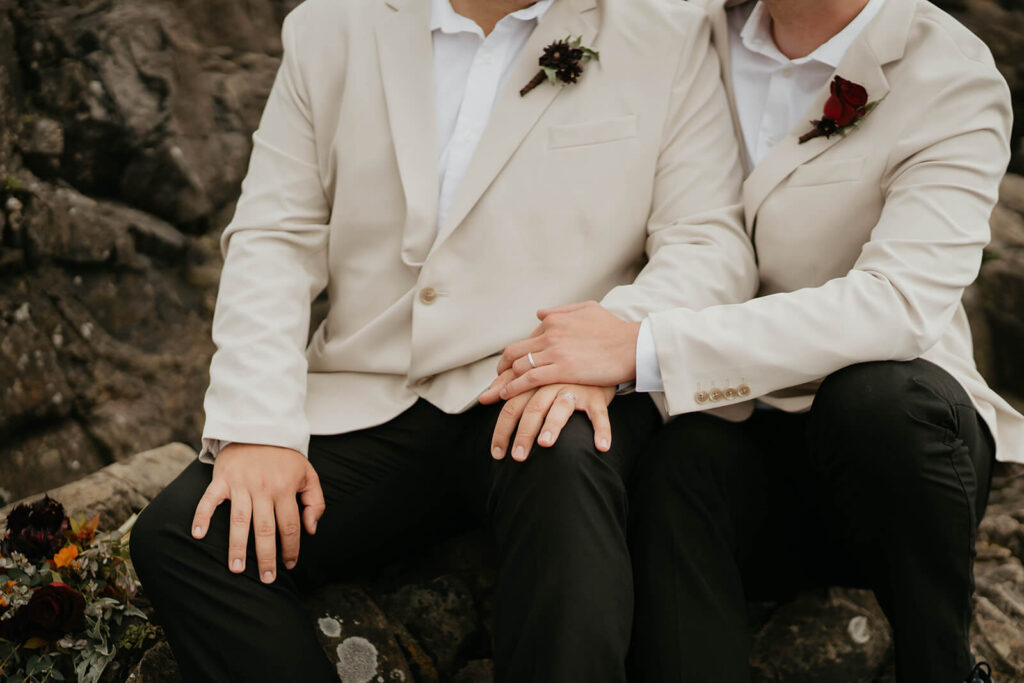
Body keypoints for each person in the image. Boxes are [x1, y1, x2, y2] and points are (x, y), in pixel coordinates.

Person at [127, 0, 759, 680]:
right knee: (186, 535)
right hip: (368, 392)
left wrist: (609, 342)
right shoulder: (330, 24)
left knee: (569, 467)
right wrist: (257, 427)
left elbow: (708, 240)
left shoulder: (666, 25)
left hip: (542, 378)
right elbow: (274, 239)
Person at [482, 0, 1024, 680]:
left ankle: (941, 663)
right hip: (727, 434)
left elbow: (899, 304)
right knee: (681, 463)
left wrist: (641, 344)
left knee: (883, 398)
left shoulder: (949, 72)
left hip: (884, 458)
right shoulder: (677, 31)